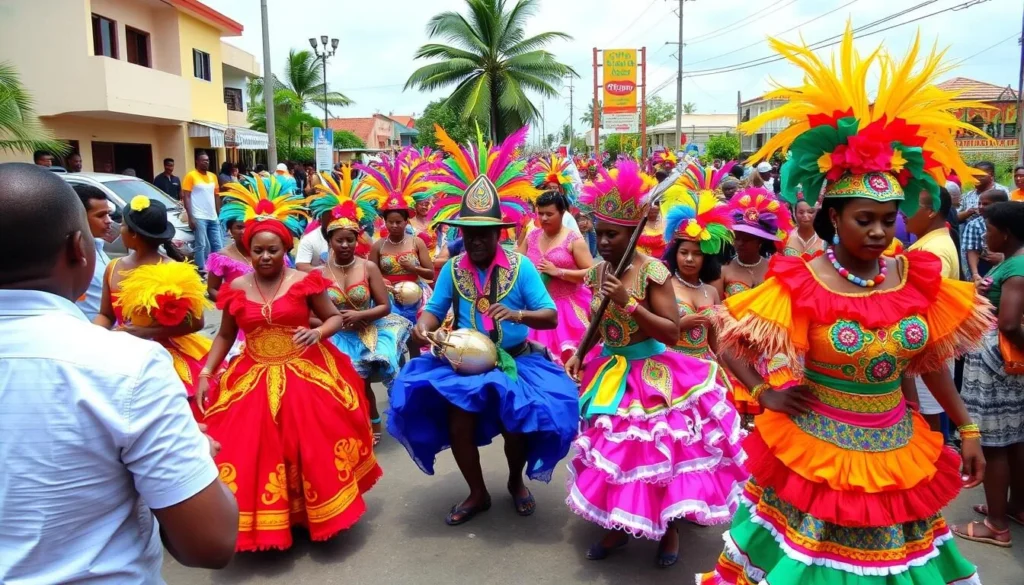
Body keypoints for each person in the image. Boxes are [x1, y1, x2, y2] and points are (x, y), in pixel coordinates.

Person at [699, 26, 988, 585]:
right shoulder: (802, 281)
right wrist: (764, 392)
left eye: (888, 218)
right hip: (817, 454)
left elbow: (924, 362)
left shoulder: (914, 277)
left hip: (897, 453)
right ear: (833, 217)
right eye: (864, 219)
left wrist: (967, 430)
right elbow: (727, 336)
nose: (880, 232)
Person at [0, 163, 237, 581]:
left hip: (174, 354)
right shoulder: (125, 366)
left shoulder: (162, 288)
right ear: (79, 248)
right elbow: (210, 543)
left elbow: (194, 322)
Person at [387, 126, 578, 526]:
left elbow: (551, 315)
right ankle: (477, 492)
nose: (474, 241)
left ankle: (514, 482)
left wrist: (519, 316)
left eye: (482, 234)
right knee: (458, 424)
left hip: (516, 360)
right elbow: (435, 309)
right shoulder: (452, 268)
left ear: (497, 234)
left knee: (518, 429)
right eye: (468, 234)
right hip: (464, 363)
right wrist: (424, 326)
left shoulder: (521, 267)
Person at [564, 160, 746, 567]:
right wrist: (579, 352)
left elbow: (670, 332)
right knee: (615, 455)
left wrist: (628, 303)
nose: (604, 241)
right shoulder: (597, 272)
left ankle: (669, 530)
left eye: (612, 234)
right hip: (611, 374)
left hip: (655, 375)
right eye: (599, 233)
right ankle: (617, 526)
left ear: (632, 234)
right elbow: (596, 323)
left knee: (657, 458)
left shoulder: (654, 272)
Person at [197, 175, 381, 552]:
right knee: (254, 449)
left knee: (309, 447)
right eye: (258, 250)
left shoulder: (305, 282)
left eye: (273, 250)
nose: (265, 257)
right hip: (251, 375)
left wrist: (318, 334)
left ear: (286, 249)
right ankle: (274, 520)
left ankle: (311, 516)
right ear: (248, 251)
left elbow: (331, 317)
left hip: (306, 371)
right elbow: (225, 336)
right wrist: (206, 371)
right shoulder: (234, 288)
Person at [311, 171, 412, 446]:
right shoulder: (318, 274)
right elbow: (310, 314)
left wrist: (359, 315)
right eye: (339, 240)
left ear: (358, 240)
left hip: (368, 331)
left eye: (350, 240)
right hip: (336, 336)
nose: (345, 245)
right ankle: (345, 425)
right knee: (338, 386)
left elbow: (384, 305)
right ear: (329, 241)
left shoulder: (368, 267)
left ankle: (373, 420)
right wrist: (330, 322)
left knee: (363, 383)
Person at [93, 196, 212, 419]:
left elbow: (198, 322)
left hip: (168, 357)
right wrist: (93, 334)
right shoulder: (113, 267)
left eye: (124, 226)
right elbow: (106, 315)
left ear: (134, 234)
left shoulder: (176, 271)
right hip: (121, 350)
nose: (120, 229)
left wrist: (146, 332)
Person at [955, 200, 1024, 547]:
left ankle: (996, 524)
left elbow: (1010, 324)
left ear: (1006, 233)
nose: (986, 237)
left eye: (991, 230)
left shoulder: (1016, 268)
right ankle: (1014, 506)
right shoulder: (1014, 262)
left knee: (994, 444)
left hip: (996, 363)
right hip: (1007, 364)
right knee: (1015, 439)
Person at [364, 157, 435, 356]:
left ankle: (414, 373)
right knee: (391, 341)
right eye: (390, 222)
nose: (394, 226)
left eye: (399, 222)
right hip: (388, 300)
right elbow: (369, 275)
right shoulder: (378, 246)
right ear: (384, 222)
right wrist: (382, 282)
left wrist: (414, 269)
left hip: (415, 298)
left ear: (406, 222)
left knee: (414, 339)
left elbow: (430, 274)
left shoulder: (416, 242)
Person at [904, 187, 961, 432]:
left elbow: (922, 308)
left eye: (910, 205)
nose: (903, 213)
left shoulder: (931, 251)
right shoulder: (932, 242)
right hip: (928, 349)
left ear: (931, 212)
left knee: (927, 422)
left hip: (926, 350)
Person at [517, 191, 594, 365]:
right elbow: (516, 263)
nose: (544, 218)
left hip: (568, 309)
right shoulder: (532, 236)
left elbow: (592, 273)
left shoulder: (574, 240)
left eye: (549, 214)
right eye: (540, 213)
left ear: (563, 213)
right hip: (535, 305)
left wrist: (558, 272)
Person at [71, 183, 112, 321]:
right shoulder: (71, 257)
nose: (109, 221)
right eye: (101, 216)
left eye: (108, 214)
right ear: (79, 216)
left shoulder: (98, 246)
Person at [182, 153, 222, 271]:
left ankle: (217, 267)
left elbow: (216, 196)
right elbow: (186, 196)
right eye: (203, 160)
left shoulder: (213, 176)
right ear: (197, 161)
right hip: (199, 216)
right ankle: (200, 269)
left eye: (208, 160)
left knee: (217, 244)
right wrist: (190, 217)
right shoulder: (191, 176)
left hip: (212, 216)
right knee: (201, 244)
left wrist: (218, 213)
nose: (206, 162)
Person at [963, 188, 1010, 282]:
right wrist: (975, 274)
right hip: (984, 265)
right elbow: (972, 250)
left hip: (1009, 263)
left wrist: (1002, 258)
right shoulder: (974, 225)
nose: (980, 207)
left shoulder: (1012, 222)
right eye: (979, 203)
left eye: (985, 204)